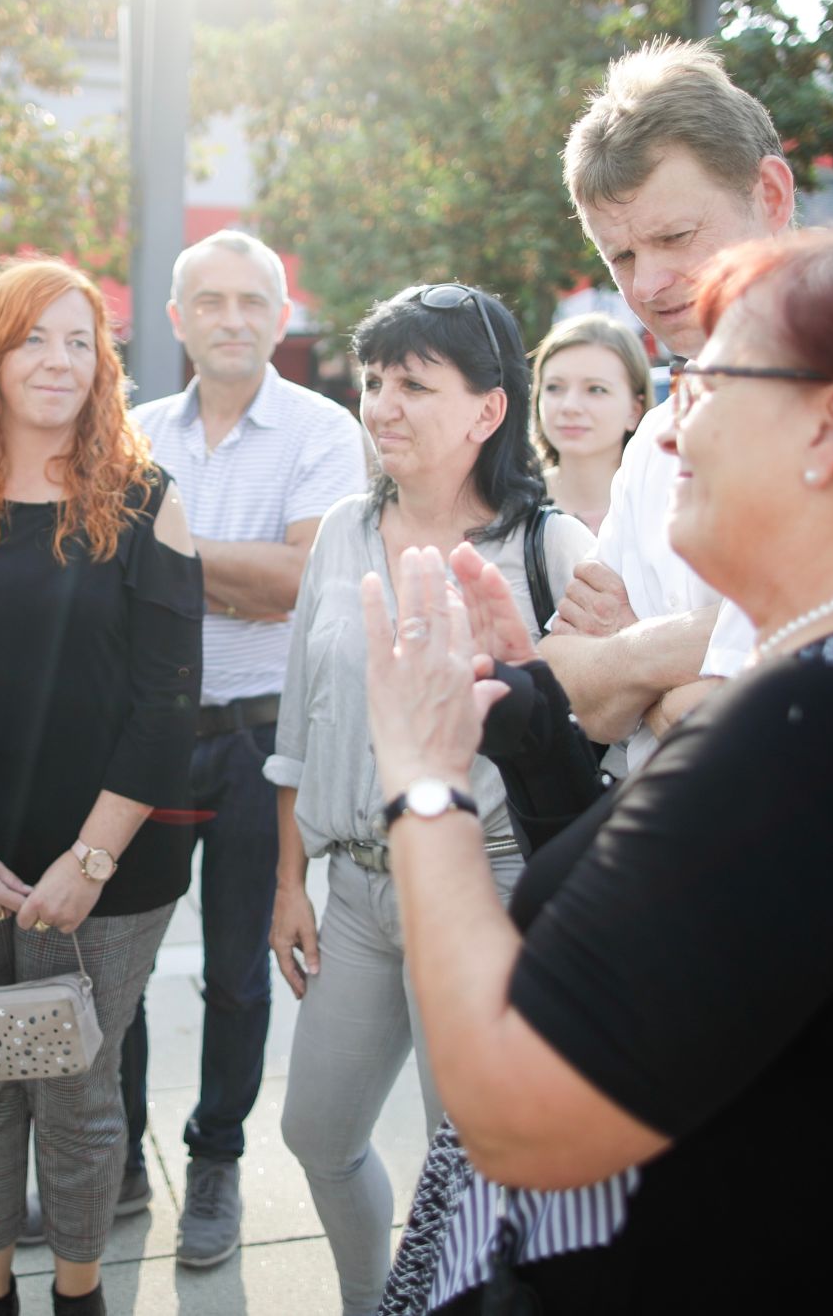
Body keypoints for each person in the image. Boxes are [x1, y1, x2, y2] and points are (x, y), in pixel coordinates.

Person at [365, 224, 833, 1313]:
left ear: (830, 423)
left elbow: (512, 1109)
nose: (669, 426)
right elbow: (651, 917)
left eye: (705, 380)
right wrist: (526, 714)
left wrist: (424, 780)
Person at [541, 40, 833, 769]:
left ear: (770, 194)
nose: (650, 283)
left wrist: (638, 659)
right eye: (623, 257)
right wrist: (718, 648)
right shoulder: (656, 441)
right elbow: (575, 689)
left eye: (675, 236)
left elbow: (800, 716)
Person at [265, 283, 594, 1316]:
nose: (382, 404)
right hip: (355, 891)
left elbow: (602, 729)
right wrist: (290, 880)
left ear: (486, 410)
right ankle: (376, 1300)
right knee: (315, 1131)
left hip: (484, 890)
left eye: (414, 383)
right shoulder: (341, 536)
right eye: (372, 382)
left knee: (472, 1161)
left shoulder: (547, 549)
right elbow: (299, 721)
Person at [0, 258, 202, 1316]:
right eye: (33, 338)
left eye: (80, 340)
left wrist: (86, 860)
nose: (59, 360)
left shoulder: (147, 501)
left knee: (74, 1087)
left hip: (108, 867)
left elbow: (167, 707)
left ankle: (78, 1295)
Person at [128, 230, 368, 1267]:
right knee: (113, 971)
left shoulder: (323, 431)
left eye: (251, 300)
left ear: (280, 314)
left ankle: (213, 1159)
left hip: (258, 742)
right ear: (177, 318)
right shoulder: (129, 430)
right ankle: (117, 1157)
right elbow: (103, 576)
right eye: (209, 300)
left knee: (238, 972)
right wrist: (240, 567)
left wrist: (159, 553)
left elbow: (299, 585)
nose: (231, 317)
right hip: (137, 739)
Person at [530, 313, 651, 533]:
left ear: (635, 410)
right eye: (554, 387)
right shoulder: (508, 508)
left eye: (596, 389)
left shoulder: (666, 506)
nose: (570, 406)